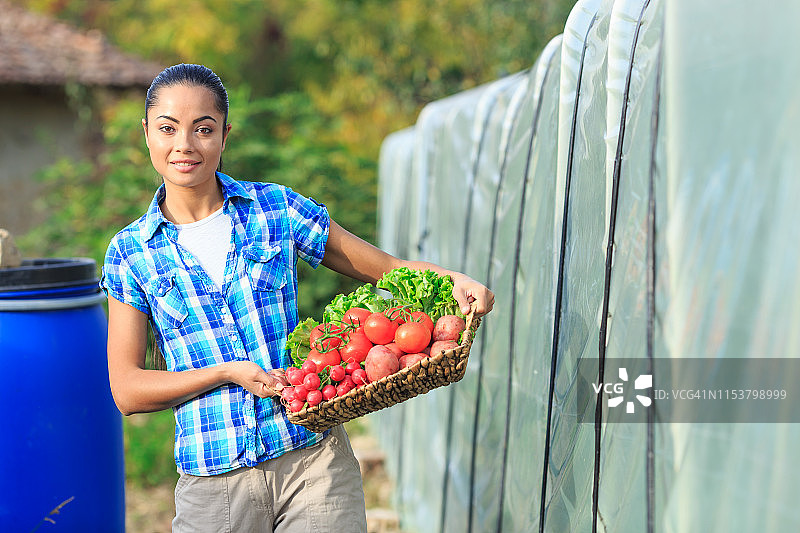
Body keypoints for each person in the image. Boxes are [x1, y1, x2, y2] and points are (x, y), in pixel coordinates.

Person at [100, 63, 494, 533]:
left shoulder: (276, 209)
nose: (184, 144)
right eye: (168, 128)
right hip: (214, 485)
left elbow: (386, 268)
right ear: (146, 133)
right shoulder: (131, 252)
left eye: (203, 129)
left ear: (225, 136)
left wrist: (452, 280)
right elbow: (127, 389)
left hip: (313, 464)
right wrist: (226, 373)